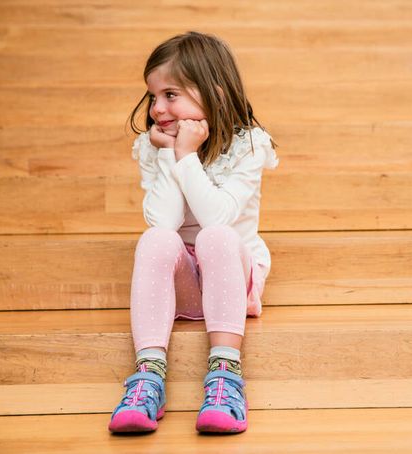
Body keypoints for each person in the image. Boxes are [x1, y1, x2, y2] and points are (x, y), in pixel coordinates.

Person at [108, 31, 279, 435]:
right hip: (186, 283)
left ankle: (226, 375)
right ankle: (148, 378)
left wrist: (187, 156)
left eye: (170, 95)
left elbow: (217, 217)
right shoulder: (154, 146)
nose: (157, 109)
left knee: (214, 236)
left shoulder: (249, 145)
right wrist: (168, 153)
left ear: (214, 94)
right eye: (153, 97)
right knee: (155, 239)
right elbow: (163, 223)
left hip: (234, 279)